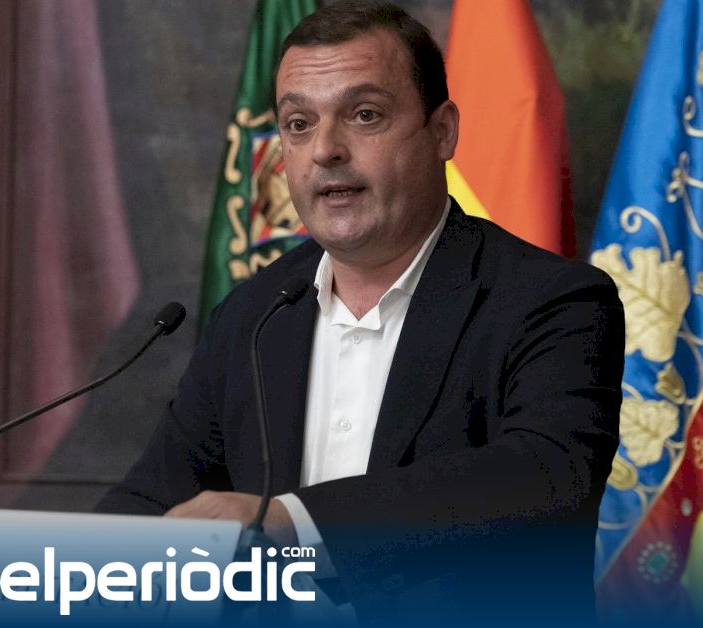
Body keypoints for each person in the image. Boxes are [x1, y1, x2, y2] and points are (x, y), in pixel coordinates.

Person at [97, 0, 624, 621]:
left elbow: (544, 481)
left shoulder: (553, 301)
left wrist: (291, 522)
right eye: (298, 124)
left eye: (364, 115)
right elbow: (150, 500)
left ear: (442, 132)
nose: (325, 149)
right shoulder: (254, 314)